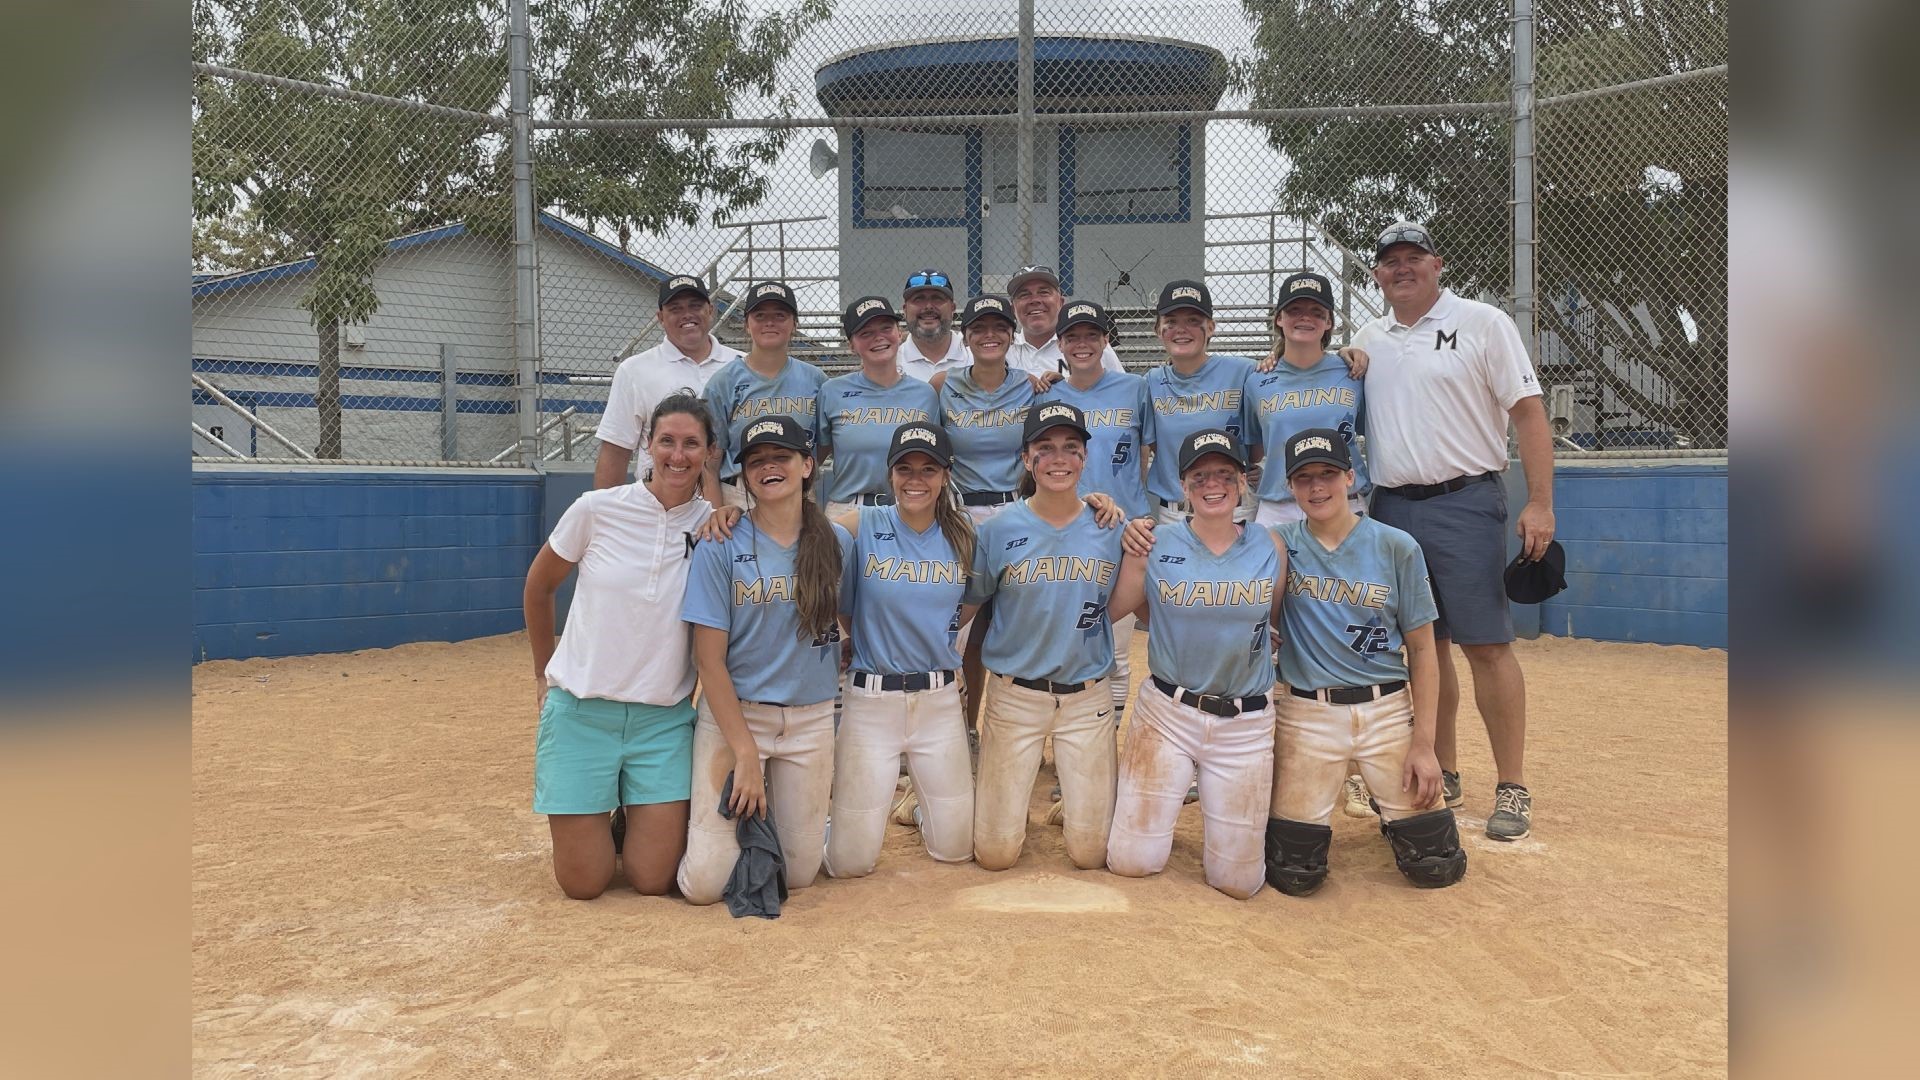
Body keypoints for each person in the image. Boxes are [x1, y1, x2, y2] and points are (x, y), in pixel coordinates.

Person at [1352, 220, 1555, 840]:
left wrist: (1540, 501)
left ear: (1438, 264)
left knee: (1487, 646)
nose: (1402, 268)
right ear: (1378, 274)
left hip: (1465, 501)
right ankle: (1443, 768)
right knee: (1423, 648)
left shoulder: (1483, 323)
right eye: (1390, 261)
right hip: (1391, 509)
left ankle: (1512, 785)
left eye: (1415, 257)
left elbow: (1527, 411)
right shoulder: (1368, 338)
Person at [522, 394, 717, 900]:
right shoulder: (597, 509)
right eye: (666, 441)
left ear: (708, 453)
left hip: (663, 719)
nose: (678, 455)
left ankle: (630, 811)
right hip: (582, 714)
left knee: (651, 880)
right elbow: (539, 587)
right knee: (584, 885)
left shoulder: (713, 526)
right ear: (647, 447)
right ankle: (601, 808)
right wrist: (543, 676)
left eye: (691, 443)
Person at [1260, 427, 1466, 893]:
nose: (1317, 487)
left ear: (1351, 477)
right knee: (1295, 873)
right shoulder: (1278, 544)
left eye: (1328, 474)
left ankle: (1389, 806)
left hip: (1387, 711)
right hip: (1307, 713)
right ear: (1290, 487)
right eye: (1304, 478)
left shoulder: (1396, 545)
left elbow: (1422, 650)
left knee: (1436, 865)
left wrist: (1425, 744)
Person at [676, 415, 852, 905]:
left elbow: (850, 619)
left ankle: (788, 817)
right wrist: (747, 753)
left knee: (797, 876)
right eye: (756, 461)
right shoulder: (721, 543)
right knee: (705, 887)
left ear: (807, 465)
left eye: (781, 457)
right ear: (744, 477)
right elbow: (709, 663)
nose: (769, 467)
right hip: (737, 716)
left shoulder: (838, 543)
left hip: (810, 719)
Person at [1105, 428, 1285, 899]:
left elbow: (1274, 619)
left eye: (1225, 474)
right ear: (1184, 486)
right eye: (1200, 476)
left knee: (1239, 883)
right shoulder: (1155, 542)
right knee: (1131, 862)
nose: (1213, 485)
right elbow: (1119, 608)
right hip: (1169, 713)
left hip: (1244, 722)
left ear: (1243, 482)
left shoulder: (1270, 545)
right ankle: (1113, 806)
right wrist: (1115, 530)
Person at [966, 401, 1125, 871]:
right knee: (995, 856)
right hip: (1015, 695)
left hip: (1086, 698)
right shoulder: (997, 530)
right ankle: (930, 803)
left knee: (1091, 854)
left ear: (1083, 459)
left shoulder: (1110, 526)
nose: (1059, 458)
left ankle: (1074, 806)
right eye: (1045, 448)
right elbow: (969, 613)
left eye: (1070, 449)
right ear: (1027, 459)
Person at [823, 422, 980, 876]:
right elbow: (802, 535)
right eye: (905, 468)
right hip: (872, 700)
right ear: (889, 474)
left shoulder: (964, 535)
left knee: (955, 850)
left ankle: (914, 806)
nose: (916, 479)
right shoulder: (862, 524)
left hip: (939, 701)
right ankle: (830, 821)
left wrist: (1097, 501)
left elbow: (970, 602)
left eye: (928, 469)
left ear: (946, 475)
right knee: (849, 864)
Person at [1039, 298, 1152, 735]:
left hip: (1122, 529)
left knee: (1117, 649)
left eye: (1092, 335)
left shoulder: (1135, 388)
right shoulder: (1047, 394)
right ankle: (1063, 740)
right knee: (1064, 641)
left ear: (1106, 341)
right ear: (1060, 344)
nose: (1082, 344)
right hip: (1063, 529)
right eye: (1072, 337)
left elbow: (1147, 454)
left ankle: (1106, 743)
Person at [593, 275, 741, 491]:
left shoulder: (742, 365)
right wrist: (605, 516)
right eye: (675, 309)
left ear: (711, 310)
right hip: (661, 504)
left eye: (695, 306)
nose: (687, 314)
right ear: (660, 317)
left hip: (731, 504)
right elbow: (616, 451)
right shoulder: (634, 370)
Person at [1246, 272, 1369, 527]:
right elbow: (1254, 449)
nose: (1305, 317)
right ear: (1279, 318)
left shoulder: (1353, 373)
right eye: (1294, 310)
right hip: (1279, 507)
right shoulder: (1257, 381)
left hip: (1344, 501)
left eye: (1316, 311)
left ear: (1328, 322)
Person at [700, 280, 828, 510]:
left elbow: (825, 443)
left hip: (797, 493)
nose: (769, 322)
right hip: (740, 495)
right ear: (747, 325)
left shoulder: (815, 379)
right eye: (759, 316)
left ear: (794, 324)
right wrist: (716, 513)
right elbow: (710, 463)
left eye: (780, 315)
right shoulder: (725, 381)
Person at [1143, 280, 1260, 523]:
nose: (1181, 329)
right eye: (1171, 322)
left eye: (1193, 321)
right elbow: (1159, 446)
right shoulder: (1150, 383)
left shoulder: (1243, 372)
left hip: (1234, 510)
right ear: (1158, 330)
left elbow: (1259, 444)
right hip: (1176, 513)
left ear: (1211, 326)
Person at [815, 296, 940, 517]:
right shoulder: (832, 391)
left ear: (899, 333)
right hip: (848, 508)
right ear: (851, 345)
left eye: (886, 328)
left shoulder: (925, 394)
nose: (878, 337)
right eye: (866, 333)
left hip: (908, 509)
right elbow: (815, 458)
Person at [1004, 265, 1126, 376]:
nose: (1035, 300)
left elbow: (1120, 390)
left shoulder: (1092, 347)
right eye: (1024, 295)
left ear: (1061, 302)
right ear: (1013, 308)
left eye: (1044, 292)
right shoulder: (1003, 350)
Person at [898, 268, 970, 382]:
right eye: (918, 299)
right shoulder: (892, 361)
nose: (928, 306)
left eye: (937, 298)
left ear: (953, 308)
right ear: (905, 309)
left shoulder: (974, 353)